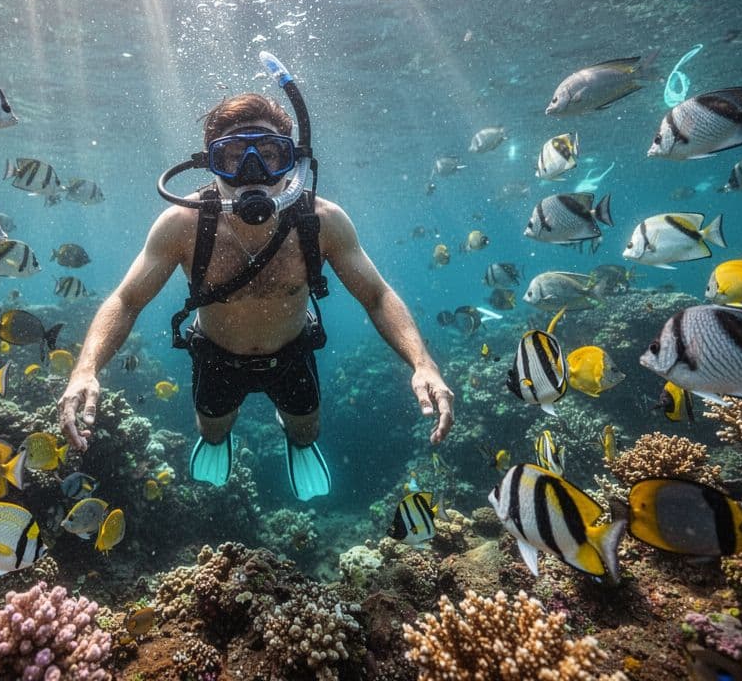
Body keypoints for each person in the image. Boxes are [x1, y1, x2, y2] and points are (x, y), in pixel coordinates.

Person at [56, 89, 453, 500]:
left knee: (306, 432)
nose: (253, 172)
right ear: (210, 163)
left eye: (269, 154)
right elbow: (126, 300)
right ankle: (217, 442)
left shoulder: (322, 221)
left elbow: (376, 295)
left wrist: (423, 365)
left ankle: (296, 441)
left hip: (292, 350)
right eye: (232, 157)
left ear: (293, 162)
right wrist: (84, 370)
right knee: (211, 431)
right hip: (216, 354)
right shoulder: (182, 225)